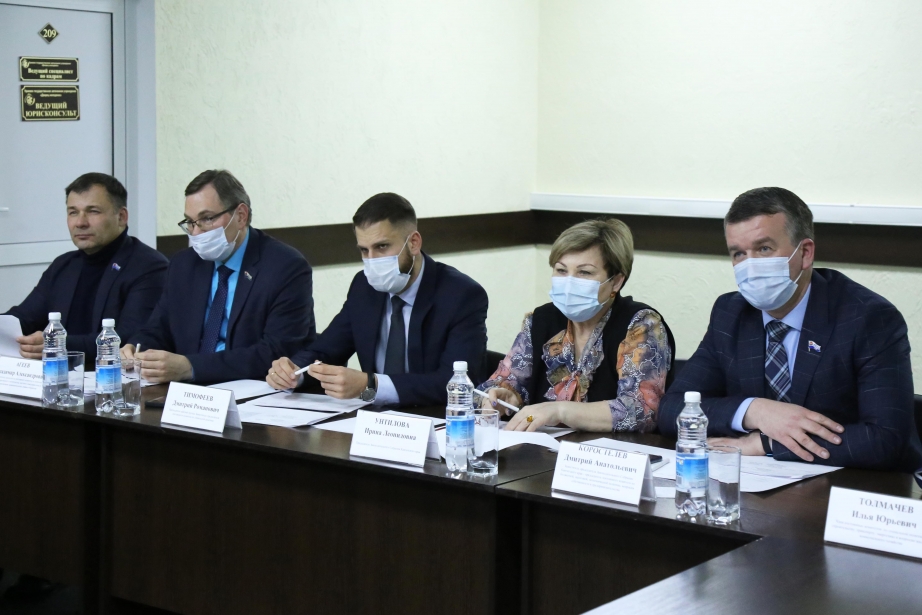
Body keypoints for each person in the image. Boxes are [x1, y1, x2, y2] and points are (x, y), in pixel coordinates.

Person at [659, 187, 922, 471]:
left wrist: (768, 444)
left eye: (764, 249)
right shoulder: (730, 313)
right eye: (738, 253)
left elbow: (885, 439)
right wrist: (754, 410)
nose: (749, 266)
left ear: (805, 253)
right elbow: (672, 409)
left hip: (855, 484)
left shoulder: (868, 318)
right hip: (761, 483)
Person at [266, 192, 488, 407]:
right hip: (371, 418)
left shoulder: (461, 295)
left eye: (382, 247)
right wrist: (294, 372)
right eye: (364, 250)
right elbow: (325, 351)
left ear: (414, 243)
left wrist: (370, 385)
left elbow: (454, 384)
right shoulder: (364, 287)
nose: (372, 261)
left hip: (435, 419)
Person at [478, 218, 675, 433]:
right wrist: (505, 395)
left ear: (616, 281)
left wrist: (560, 411)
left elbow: (642, 411)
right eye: (561, 270)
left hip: (612, 451)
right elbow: (502, 382)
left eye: (584, 272)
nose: (569, 283)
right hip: (541, 449)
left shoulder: (641, 325)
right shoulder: (540, 320)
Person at [121, 170, 315, 384]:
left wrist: (191, 367)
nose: (196, 233)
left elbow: (277, 351)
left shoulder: (285, 267)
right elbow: (159, 327)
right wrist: (137, 347)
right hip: (185, 391)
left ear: (240, 216)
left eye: (207, 219)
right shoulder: (183, 264)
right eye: (190, 222)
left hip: (251, 389)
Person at [4, 172, 167, 364]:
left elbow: (130, 339)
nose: (80, 223)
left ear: (121, 217)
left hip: (113, 376)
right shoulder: (63, 265)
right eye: (73, 212)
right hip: (58, 374)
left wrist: (59, 344)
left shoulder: (149, 267)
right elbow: (23, 318)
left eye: (93, 211)